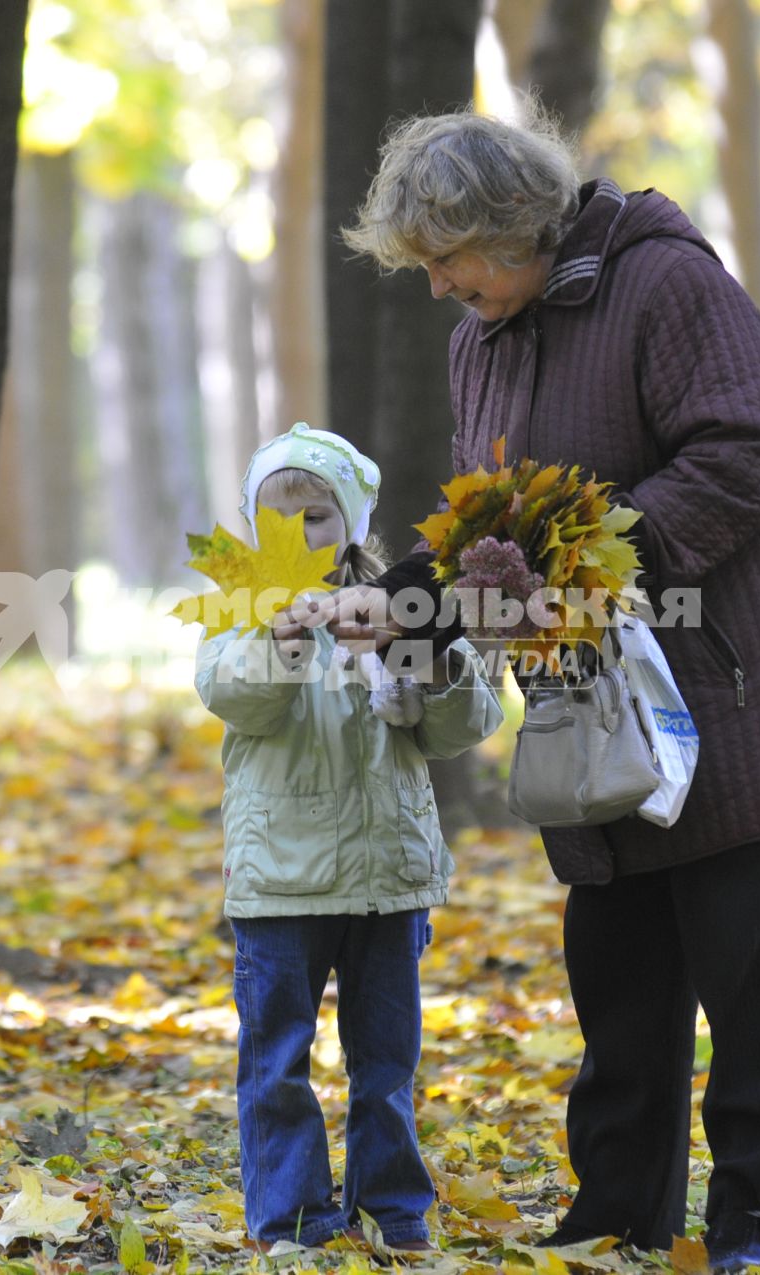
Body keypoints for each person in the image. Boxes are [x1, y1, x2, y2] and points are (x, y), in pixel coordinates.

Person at [292, 110, 760, 1271]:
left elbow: (744, 454)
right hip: (602, 725)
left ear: (510, 227)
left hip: (745, 702)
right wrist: (405, 601)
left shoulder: (668, 288)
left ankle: (756, 1231)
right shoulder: (487, 332)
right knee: (621, 989)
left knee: (754, 993)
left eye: (446, 260)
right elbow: (495, 524)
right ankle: (618, 1222)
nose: (438, 289)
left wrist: (585, 568)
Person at [194, 423, 504, 1252]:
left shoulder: (402, 603)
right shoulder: (241, 604)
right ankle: (292, 1215)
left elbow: (462, 725)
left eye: (319, 518)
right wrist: (281, 644)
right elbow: (232, 694)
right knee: (277, 1061)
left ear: (357, 522)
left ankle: (394, 1203)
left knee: (388, 1062)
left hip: (388, 875)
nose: (300, 537)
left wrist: (425, 658)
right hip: (281, 883)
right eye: (280, 519)